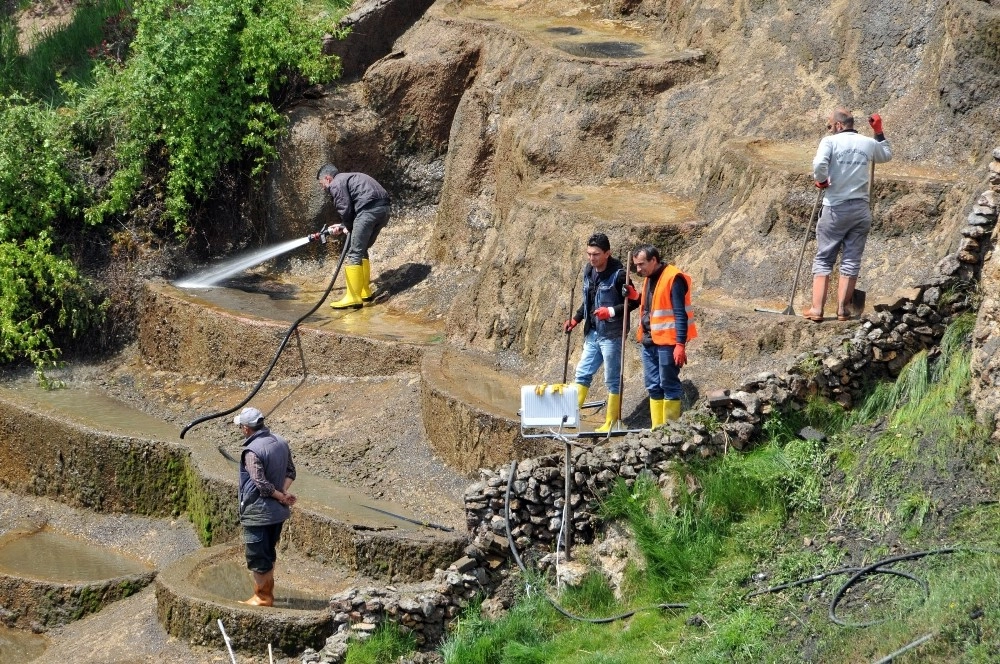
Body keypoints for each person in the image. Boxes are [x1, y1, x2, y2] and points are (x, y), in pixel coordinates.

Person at [804, 108, 892, 322]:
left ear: (838, 125)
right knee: (851, 260)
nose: (829, 129)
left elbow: (819, 164)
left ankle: (817, 310)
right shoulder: (868, 143)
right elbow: (886, 155)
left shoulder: (830, 142)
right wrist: (878, 132)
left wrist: (822, 180)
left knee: (825, 258)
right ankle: (843, 310)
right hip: (861, 209)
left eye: (829, 125)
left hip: (835, 207)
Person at [563, 233, 634, 432]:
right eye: (589, 254)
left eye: (596, 254)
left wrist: (610, 311)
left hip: (612, 334)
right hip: (593, 332)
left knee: (612, 378)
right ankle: (570, 415)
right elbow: (588, 300)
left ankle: (611, 423)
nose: (591, 258)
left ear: (607, 254)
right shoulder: (589, 270)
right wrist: (576, 319)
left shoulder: (620, 274)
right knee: (582, 372)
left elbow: (634, 301)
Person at [627, 245, 697, 428]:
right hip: (649, 340)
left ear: (654, 260)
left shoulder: (673, 278)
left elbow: (680, 314)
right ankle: (656, 431)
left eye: (641, 264)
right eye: (636, 265)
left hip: (668, 342)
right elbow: (652, 302)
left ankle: (669, 432)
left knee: (669, 384)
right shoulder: (649, 278)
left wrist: (680, 344)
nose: (638, 269)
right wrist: (636, 296)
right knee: (653, 386)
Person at [234, 406, 297, 607]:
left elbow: (261, 485)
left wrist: (280, 496)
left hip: (258, 513)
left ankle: (262, 597)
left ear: (246, 429)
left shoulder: (252, 452)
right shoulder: (280, 441)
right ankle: (267, 595)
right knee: (268, 553)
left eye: (241, 427)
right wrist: (284, 493)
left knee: (258, 555)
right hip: (277, 514)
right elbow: (291, 471)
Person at [316, 164, 392, 309]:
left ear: (327, 178)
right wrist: (345, 226)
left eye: (322, 184)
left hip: (368, 211)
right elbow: (355, 209)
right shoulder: (350, 177)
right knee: (362, 249)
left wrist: (348, 226)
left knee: (354, 253)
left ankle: (353, 297)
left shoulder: (336, 183)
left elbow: (344, 208)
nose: (323, 188)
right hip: (384, 210)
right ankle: (364, 291)